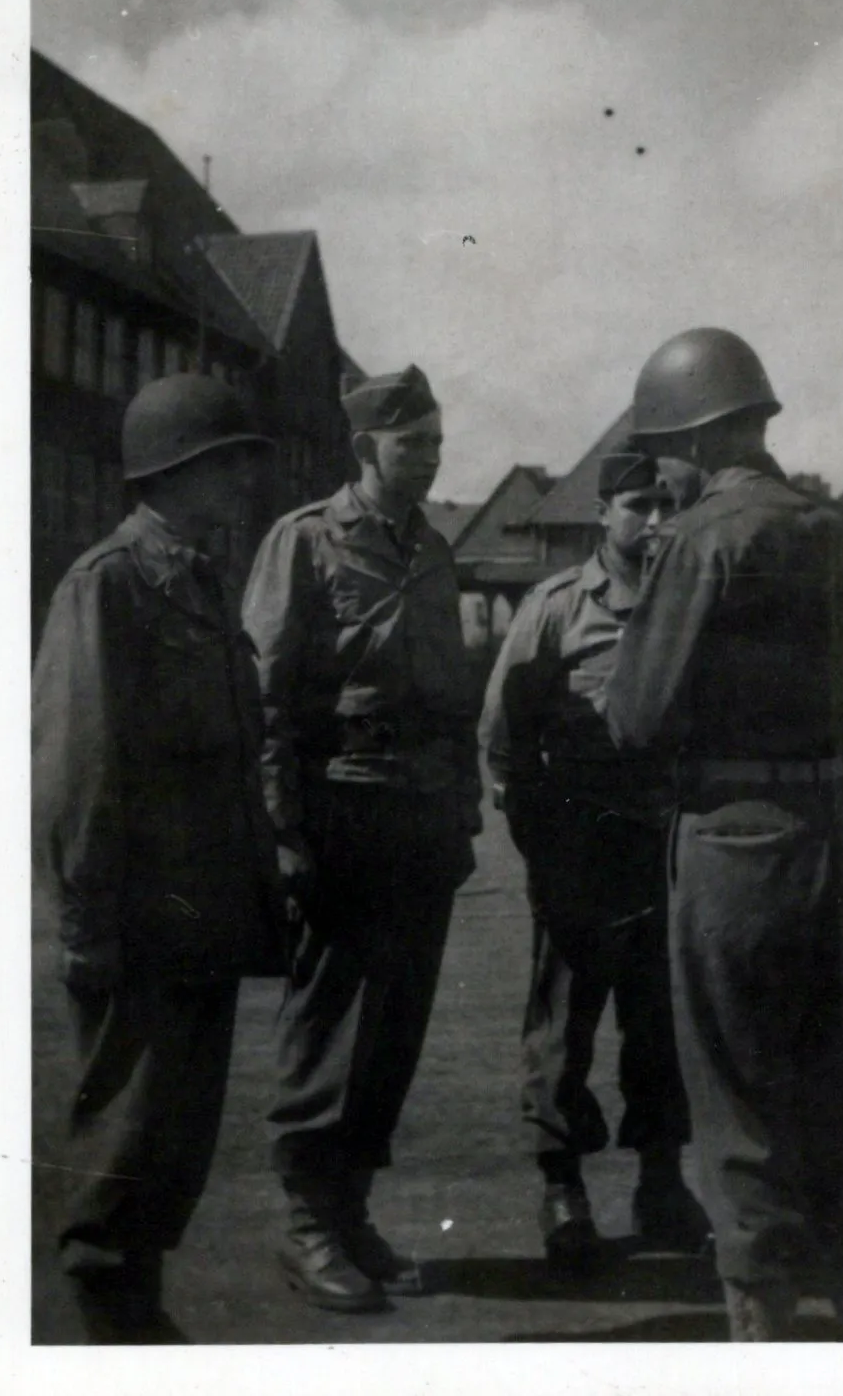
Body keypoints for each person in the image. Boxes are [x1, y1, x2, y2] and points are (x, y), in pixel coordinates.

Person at [605, 328, 843, 1341]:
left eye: (663, 453)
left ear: (695, 439)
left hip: (741, 844)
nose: (662, 474)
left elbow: (634, 717)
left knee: (736, 1091)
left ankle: (762, 1323)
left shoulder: (702, 538)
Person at [32, 374, 286, 1343]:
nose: (245, 483)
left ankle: (136, 1315)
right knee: (121, 1152)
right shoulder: (108, 584)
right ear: (179, 470)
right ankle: (111, 1328)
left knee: (173, 1147)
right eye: (231, 464)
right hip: (138, 924)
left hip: (200, 921)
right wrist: (88, 926)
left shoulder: (200, 577)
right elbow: (78, 769)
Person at [242, 363, 481, 1314]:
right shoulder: (303, 542)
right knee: (330, 1022)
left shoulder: (432, 547)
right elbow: (264, 698)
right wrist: (282, 831)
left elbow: (456, 697)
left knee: (394, 1028)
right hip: (342, 810)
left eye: (434, 441)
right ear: (363, 448)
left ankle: (351, 1211)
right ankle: (307, 1224)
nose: (428, 457)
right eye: (411, 442)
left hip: (420, 816)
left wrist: (462, 807)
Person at [479, 450, 709, 1272]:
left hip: (668, 846)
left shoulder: (689, 603)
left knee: (662, 1021)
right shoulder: (556, 605)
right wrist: (544, 839)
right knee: (563, 1024)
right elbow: (503, 738)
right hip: (581, 847)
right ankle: (561, 1186)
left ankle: (660, 1180)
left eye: (669, 506)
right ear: (604, 511)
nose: (656, 522)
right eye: (640, 505)